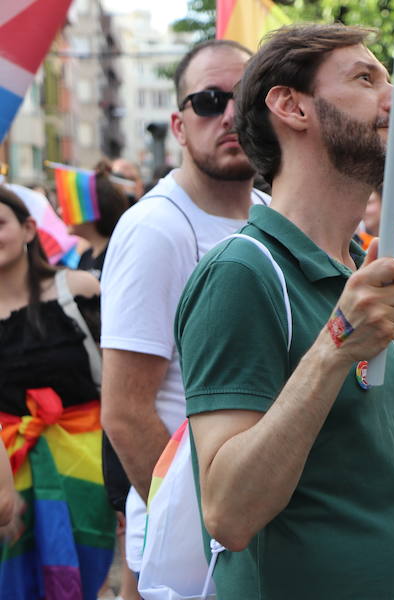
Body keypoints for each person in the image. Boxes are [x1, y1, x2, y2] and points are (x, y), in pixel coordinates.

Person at [174, 24, 394, 599]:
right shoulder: (243, 273)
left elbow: (364, 494)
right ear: (291, 106)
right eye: (366, 79)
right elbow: (228, 513)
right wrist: (337, 343)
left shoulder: (362, 274)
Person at [99, 38, 267, 579]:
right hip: (203, 552)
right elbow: (125, 413)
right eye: (209, 101)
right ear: (178, 124)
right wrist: (203, 527)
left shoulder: (271, 214)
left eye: (246, 97)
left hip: (259, 528)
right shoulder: (158, 228)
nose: (230, 116)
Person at [0, 185, 116, 597]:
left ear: (29, 228)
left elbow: (124, 383)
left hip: (90, 475)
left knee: (89, 584)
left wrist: (126, 480)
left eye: (0, 224)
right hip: (9, 482)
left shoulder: (79, 289)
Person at [71, 161, 131, 279]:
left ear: (89, 210)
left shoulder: (116, 255)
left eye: (70, 205)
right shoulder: (85, 256)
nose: (61, 211)